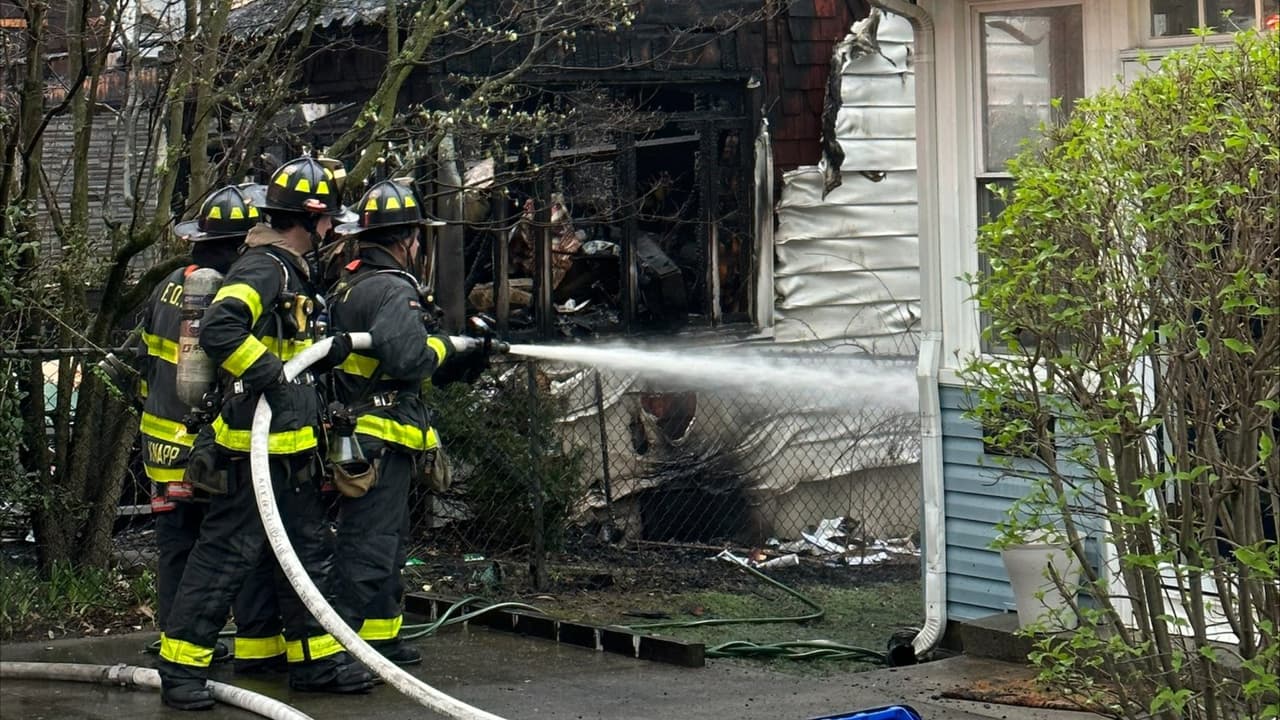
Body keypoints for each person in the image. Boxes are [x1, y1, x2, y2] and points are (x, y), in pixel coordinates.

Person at [156, 157, 371, 710]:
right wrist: (272, 375)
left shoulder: (290, 271)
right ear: (312, 219)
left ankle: (318, 664)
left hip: (290, 449)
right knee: (225, 557)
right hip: (256, 451)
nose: (330, 233)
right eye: (328, 223)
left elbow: (289, 342)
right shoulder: (265, 268)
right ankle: (180, 671)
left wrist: (327, 353)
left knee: (305, 555)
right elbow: (223, 329)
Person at [325, 179, 483, 664]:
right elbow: (408, 359)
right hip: (377, 437)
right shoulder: (393, 289)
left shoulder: (350, 281)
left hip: (362, 435)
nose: (418, 246)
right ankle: (342, 646)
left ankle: (379, 637)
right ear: (405, 239)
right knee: (371, 546)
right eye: (416, 238)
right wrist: (450, 347)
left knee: (386, 542)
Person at [140, 185, 284, 672]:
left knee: (176, 544)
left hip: (159, 444)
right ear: (242, 243)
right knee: (227, 545)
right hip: (205, 444)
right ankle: (208, 645)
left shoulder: (165, 286)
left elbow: (142, 360)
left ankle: (171, 638)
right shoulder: (223, 291)